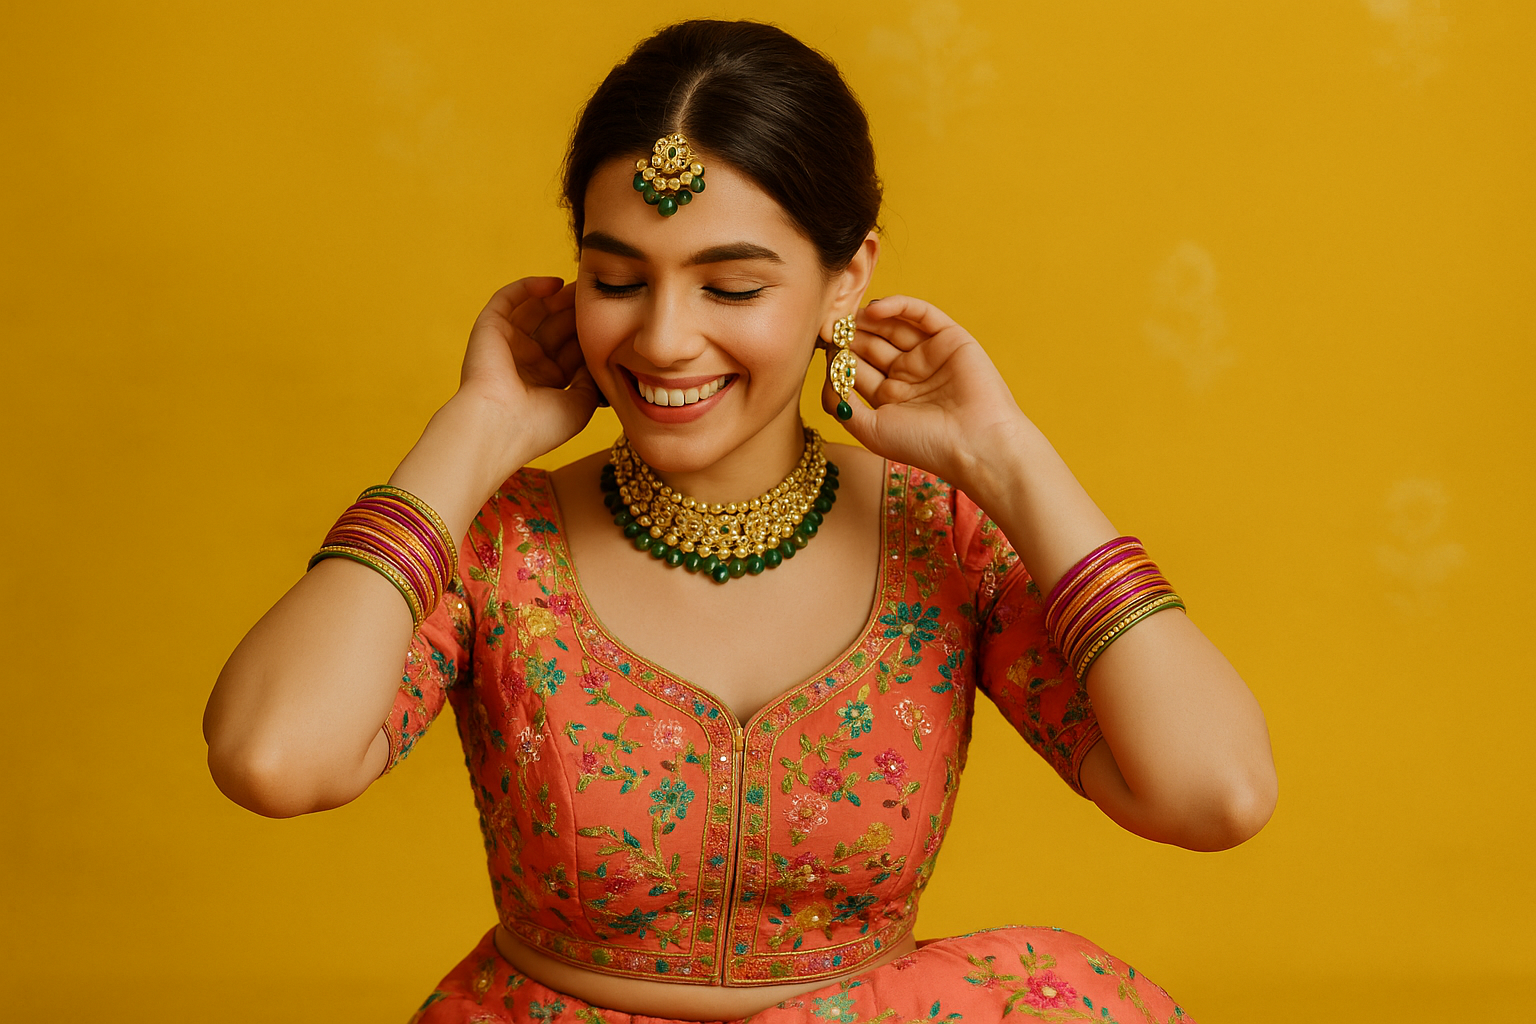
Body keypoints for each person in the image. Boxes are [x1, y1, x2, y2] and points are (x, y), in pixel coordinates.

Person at [204, 19, 1276, 1023]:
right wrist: (473, 433)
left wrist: (1009, 459)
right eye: (617, 278)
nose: (665, 339)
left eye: (731, 287)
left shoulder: (938, 534)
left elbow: (1214, 792)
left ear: (844, 276)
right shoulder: (499, 542)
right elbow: (272, 758)